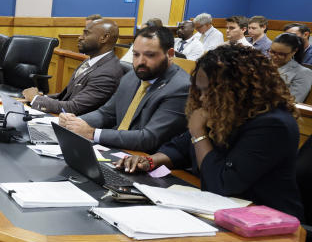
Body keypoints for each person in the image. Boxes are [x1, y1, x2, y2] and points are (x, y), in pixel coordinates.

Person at [116, 45, 303, 217]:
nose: (203, 99)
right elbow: (180, 148)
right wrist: (149, 161)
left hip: (265, 221)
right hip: (220, 208)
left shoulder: (273, 125)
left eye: (209, 92)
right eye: (200, 90)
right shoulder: (228, 112)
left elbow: (221, 185)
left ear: (239, 91)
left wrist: (199, 133)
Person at [58, 26, 190, 152]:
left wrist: (92, 133)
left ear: (170, 54)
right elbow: (106, 113)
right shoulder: (132, 76)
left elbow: (149, 138)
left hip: (147, 160)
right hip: (117, 149)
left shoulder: (180, 87)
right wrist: (75, 122)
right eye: (136, 55)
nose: (140, 62)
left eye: (149, 55)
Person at [22, 18, 124, 115]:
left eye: (86, 33)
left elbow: (74, 108)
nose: (80, 37)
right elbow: (65, 96)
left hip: (78, 125)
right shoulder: (89, 61)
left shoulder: (107, 72)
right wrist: (41, 97)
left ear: (104, 38)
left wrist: (35, 99)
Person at [271, 33, 312, 103]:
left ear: (294, 51)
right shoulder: (263, 64)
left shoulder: (303, 73)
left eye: (281, 54)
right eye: (272, 52)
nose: (275, 57)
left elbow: (292, 102)